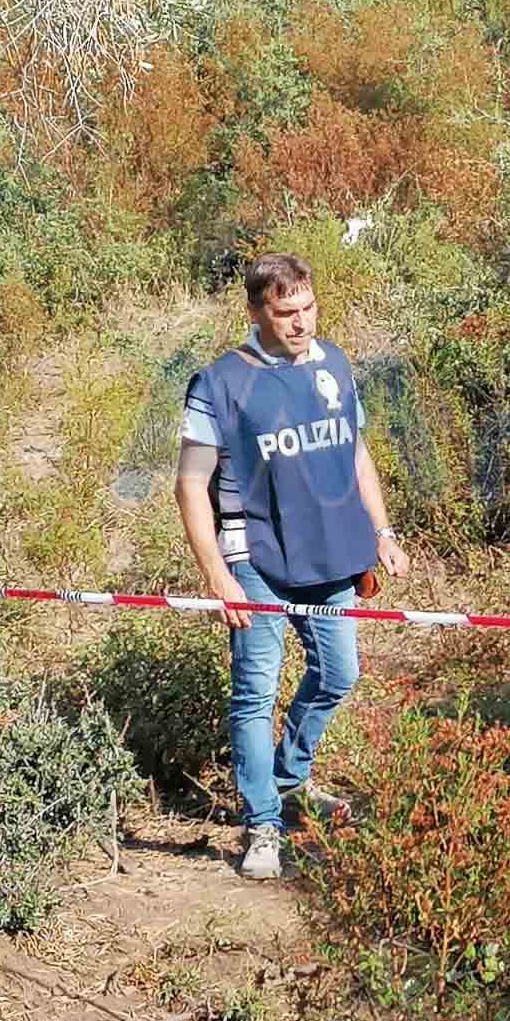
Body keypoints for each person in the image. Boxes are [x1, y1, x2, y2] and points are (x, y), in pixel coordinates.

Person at [174, 252, 410, 880]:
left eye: (308, 308)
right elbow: (189, 487)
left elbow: (354, 450)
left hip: (333, 551)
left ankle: (288, 782)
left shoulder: (334, 361)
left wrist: (381, 530)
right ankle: (262, 825)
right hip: (255, 557)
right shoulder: (220, 384)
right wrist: (218, 577)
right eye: (285, 313)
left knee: (339, 673)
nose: (300, 323)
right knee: (256, 692)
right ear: (256, 313)